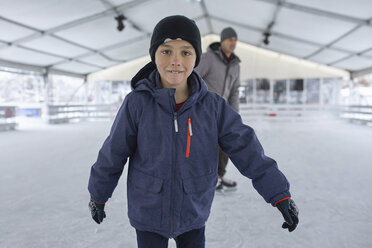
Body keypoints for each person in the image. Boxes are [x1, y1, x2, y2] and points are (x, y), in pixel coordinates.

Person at [88, 15, 299, 248]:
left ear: (197, 57)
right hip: (148, 210)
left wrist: (279, 193)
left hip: (193, 210)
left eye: (186, 52)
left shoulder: (213, 107)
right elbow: (113, 152)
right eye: (166, 51)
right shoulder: (137, 104)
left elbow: (246, 148)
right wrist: (98, 194)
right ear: (153, 55)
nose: (175, 61)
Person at [194, 27, 240, 191]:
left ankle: (219, 176)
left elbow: (234, 91)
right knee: (207, 146)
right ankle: (208, 177)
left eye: (235, 39)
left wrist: (234, 114)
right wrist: (197, 103)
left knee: (226, 144)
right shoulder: (208, 59)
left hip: (224, 112)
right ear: (222, 41)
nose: (233, 43)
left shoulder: (235, 64)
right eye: (229, 39)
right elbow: (193, 78)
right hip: (204, 111)